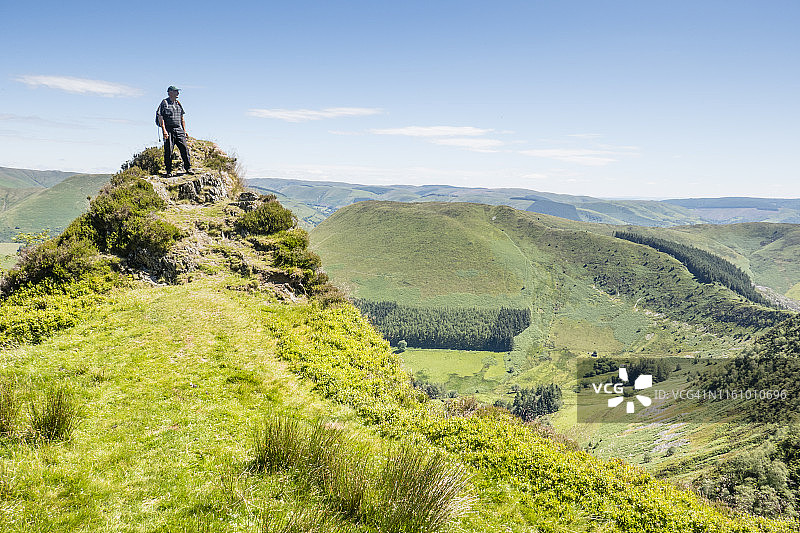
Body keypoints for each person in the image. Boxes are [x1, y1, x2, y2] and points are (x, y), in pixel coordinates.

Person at [156, 85, 193, 177]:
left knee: (184, 149)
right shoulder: (164, 103)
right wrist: (164, 131)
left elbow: (182, 118)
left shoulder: (178, 103)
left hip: (178, 129)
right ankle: (168, 170)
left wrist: (184, 131)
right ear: (170, 92)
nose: (178, 93)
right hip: (168, 130)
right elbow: (160, 117)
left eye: (177, 91)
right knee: (168, 151)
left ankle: (188, 168)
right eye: (176, 91)